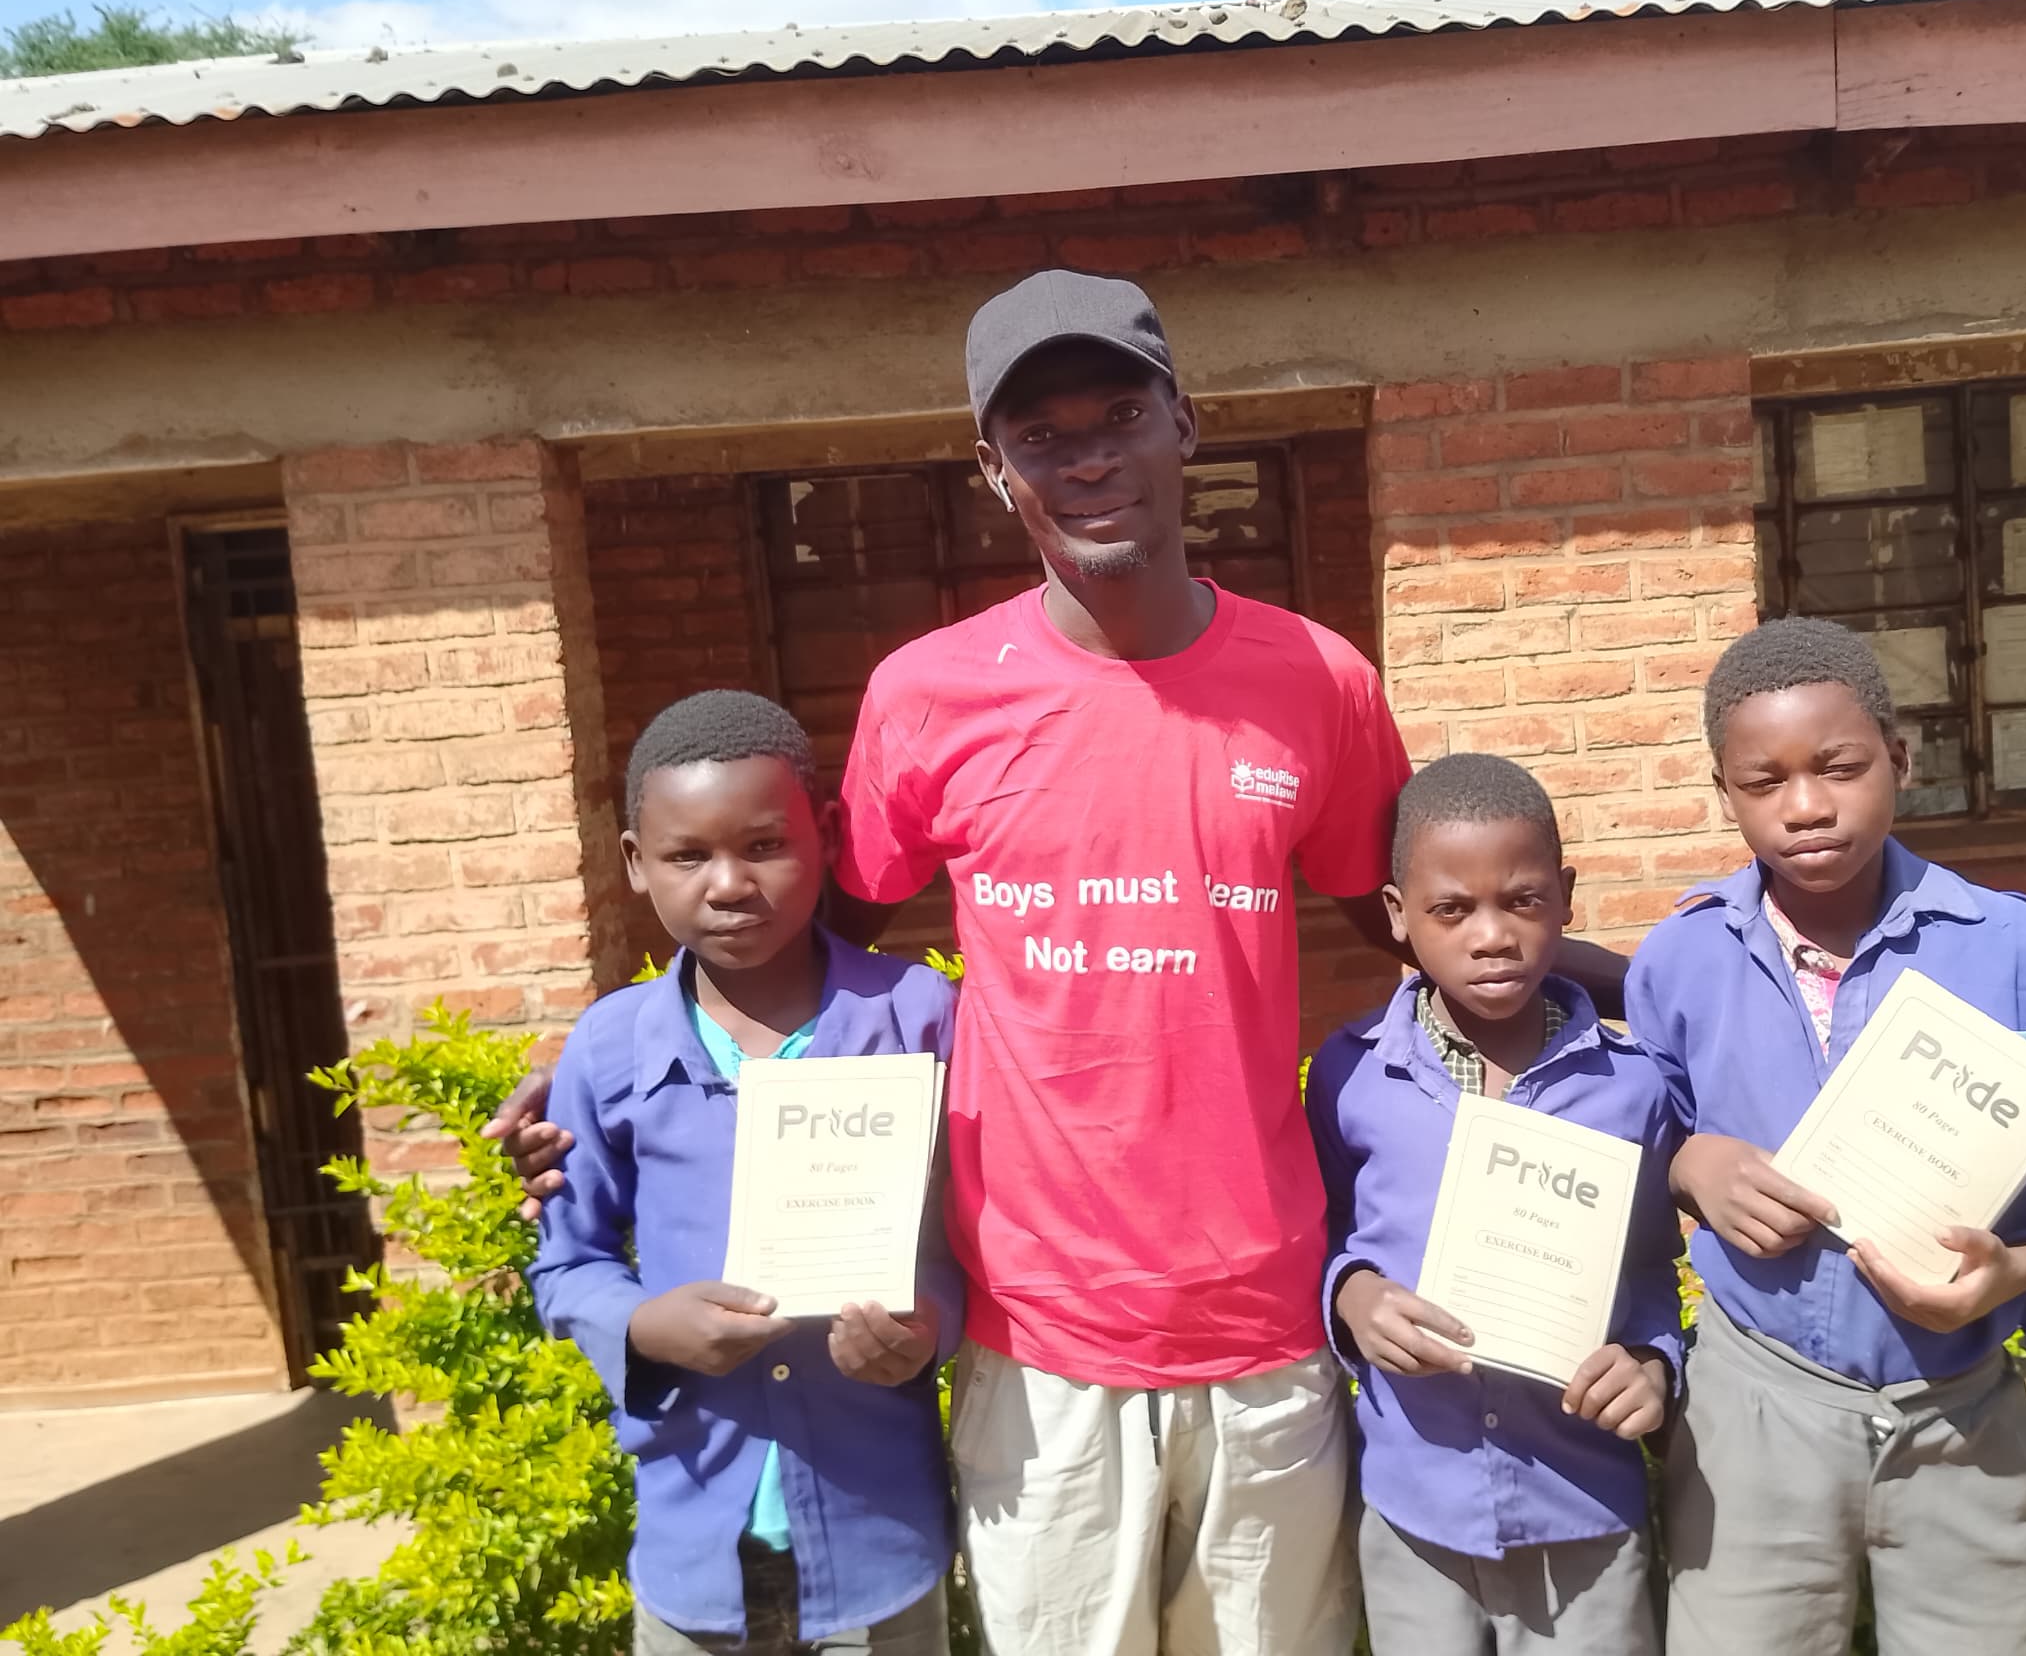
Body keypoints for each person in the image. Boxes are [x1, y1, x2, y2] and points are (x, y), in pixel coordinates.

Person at [495, 273, 1636, 1655]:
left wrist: (1657, 989)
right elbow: (807, 933)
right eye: (1040, 433)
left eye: (1119, 413)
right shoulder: (930, 695)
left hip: (1264, 1315)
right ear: (992, 468)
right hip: (1038, 1336)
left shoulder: (1317, 680)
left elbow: (1398, 919)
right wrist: (606, 1065)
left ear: (1183, 424)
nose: (1087, 455)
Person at [1626, 616, 2026, 1656]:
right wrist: (1690, 1163)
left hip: (1959, 1407)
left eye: (1839, 766)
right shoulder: (1681, 961)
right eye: (1764, 782)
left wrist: (2021, 1266)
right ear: (1723, 793)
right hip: (1753, 1414)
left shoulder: (2013, 949)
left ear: (1899, 759)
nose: (1807, 806)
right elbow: (1638, 1136)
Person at [527, 691, 963, 1656]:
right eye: (688, 857)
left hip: (876, 1531)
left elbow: (974, 1233)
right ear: (638, 865)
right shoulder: (608, 1049)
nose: (728, 884)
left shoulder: (921, 1018)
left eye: (764, 845)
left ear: (829, 836)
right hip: (693, 1535)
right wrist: (643, 1324)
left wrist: (926, 1323)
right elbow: (565, 1264)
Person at [1306, 754, 1683, 1656]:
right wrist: (1350, 1295)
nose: (1491, 937)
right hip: (1414, 1509)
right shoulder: (1354, 1075)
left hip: (1584, 1506)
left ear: (1565, 895)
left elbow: (1656, 1271)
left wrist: (1657, 1365)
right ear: (1398, 915)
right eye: (1451, 910)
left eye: (1521, 901)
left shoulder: (1635, 1087)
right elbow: (1320, 1232)